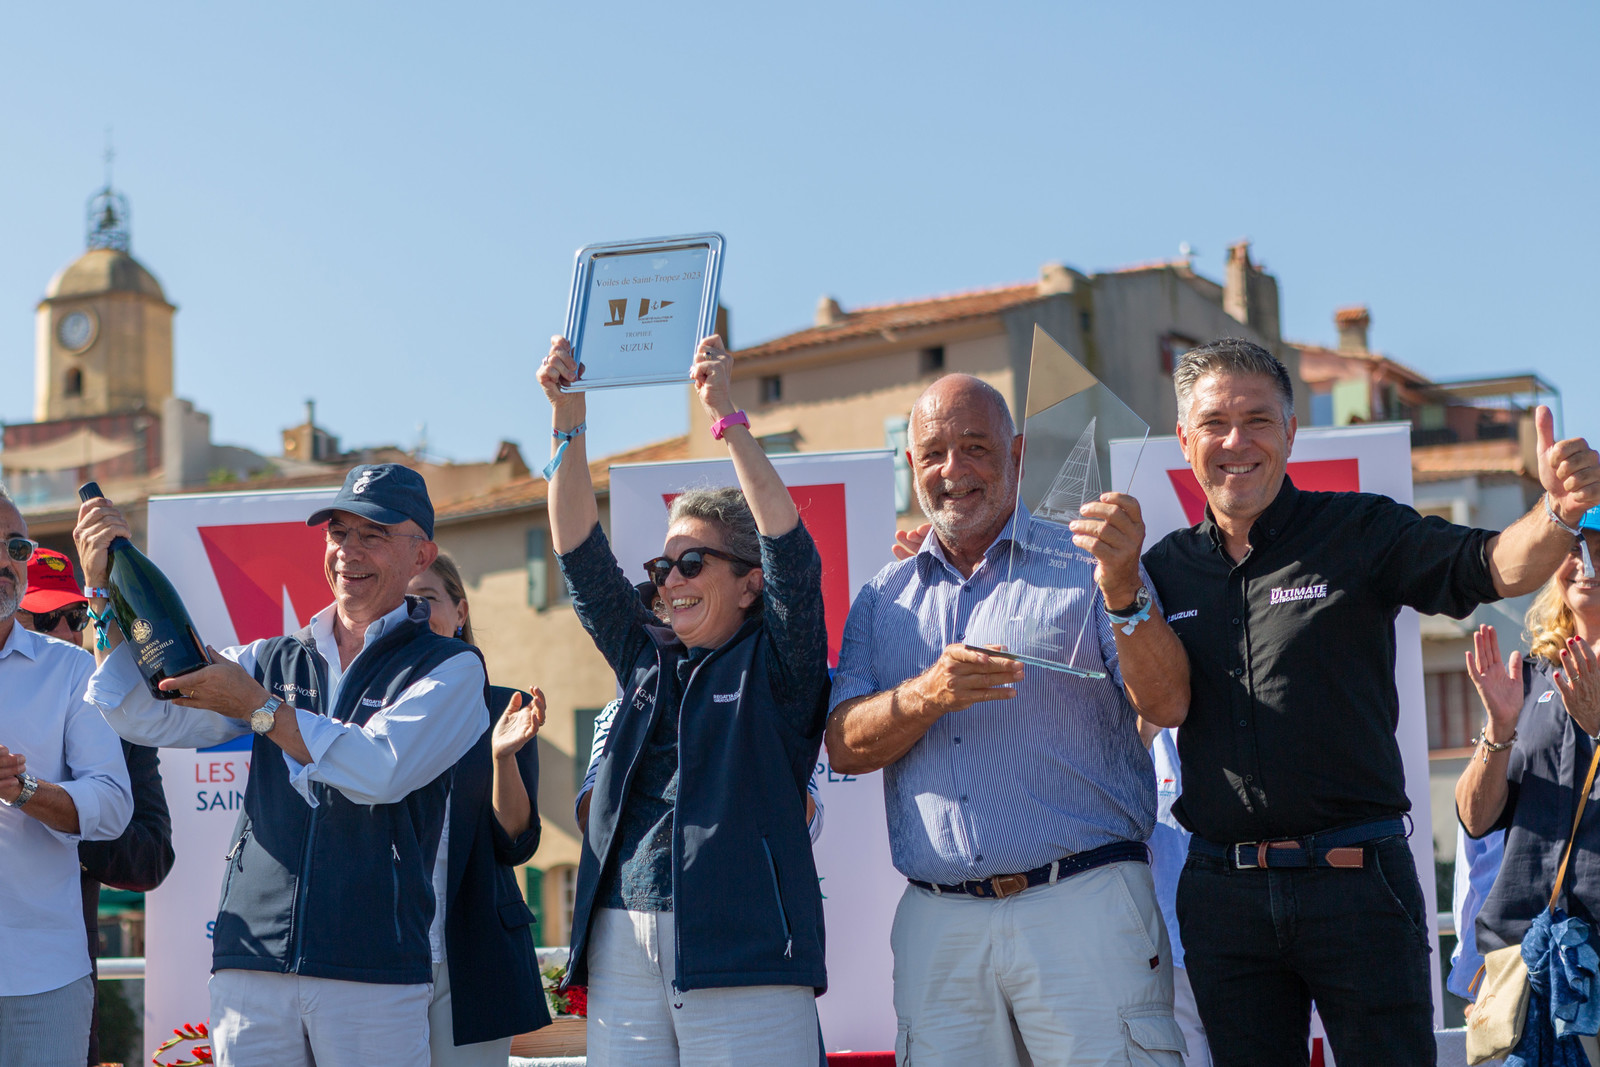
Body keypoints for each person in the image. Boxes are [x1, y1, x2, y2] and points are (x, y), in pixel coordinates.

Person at [1140, 338, 1600, 1066]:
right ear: (1184, 441)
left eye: (1258, 419)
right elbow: (1140, 700)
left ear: (1291, 432)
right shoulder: (1162, 571)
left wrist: (1559, 513)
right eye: (1215, 424)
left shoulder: (1358, 529)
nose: (1237, 442)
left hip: (1358, 886)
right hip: (1224, 897)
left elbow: (1490, 564)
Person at [826, 372, 1190, 1066]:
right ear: (911, 467)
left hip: (1082, 903)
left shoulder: (1087, 566)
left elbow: (1168, 704)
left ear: (1017, 454)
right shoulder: (883, 596)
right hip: (941, 923)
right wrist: (925, 695)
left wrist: (1124, 590)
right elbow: (842, 746)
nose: (953, 470)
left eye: (975, 447)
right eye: (933, 452)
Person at [78, 463, 490, 1067]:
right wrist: (103, 593)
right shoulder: (271, 658)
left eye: (371, 534)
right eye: (338, 533)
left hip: (373, 970)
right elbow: (143, 714)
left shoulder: (450, 668)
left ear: (420, 552)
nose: (348, 551)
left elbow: (381, 770)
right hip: (251, 967)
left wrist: (259, 708)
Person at [540, 334, 831, 1066]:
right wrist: (567, 420)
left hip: (746, 949)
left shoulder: (780, 662)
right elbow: (578, 551)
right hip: (621, 940)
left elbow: (792, 555)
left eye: (693, 561)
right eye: (663, 564)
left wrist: (727, 414)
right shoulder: (645, 653)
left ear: (748, 581)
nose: (671, 579)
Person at [15, 546, 177, 1066]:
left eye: (76, 616)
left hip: (59, 981)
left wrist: (65, 805)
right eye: (45, 618)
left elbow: (149, 861)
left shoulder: (122, 726)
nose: (65, 632)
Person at [1457, 509, 1600, 1055]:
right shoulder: (1531, 676)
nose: (1584, 563)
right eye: (1572, 548)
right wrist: (1498, 729)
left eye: (1598, 547)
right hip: (1526, 964)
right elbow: (1474, 818)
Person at [0, 487, 134, 1066]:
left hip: (42, 977)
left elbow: (113, 805)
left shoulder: (71, 668)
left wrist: (23, 791)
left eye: (15, 546)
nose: (6, 561)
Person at [406, 552, 552, 1065]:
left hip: (475, 953)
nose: (414, 613)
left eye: (426, 599)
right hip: (385, 951)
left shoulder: (502, 708)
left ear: (460, 611)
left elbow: (517, 842)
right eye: (401, 603)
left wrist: (502, 757)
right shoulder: (364, 711)